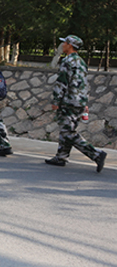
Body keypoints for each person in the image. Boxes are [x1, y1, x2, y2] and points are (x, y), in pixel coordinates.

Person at [44, 35, 107, 172]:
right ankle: (61, 157)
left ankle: (96, 154)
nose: (62, 45)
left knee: (68, 132)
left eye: (65, 43)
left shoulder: (67, 61)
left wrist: (56, 100)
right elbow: (84, 84)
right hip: (79, 101)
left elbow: (62, 82)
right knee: (67, 128)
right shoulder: (81, 62)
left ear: (70, 45)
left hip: (68, 101)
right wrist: (84, 102)